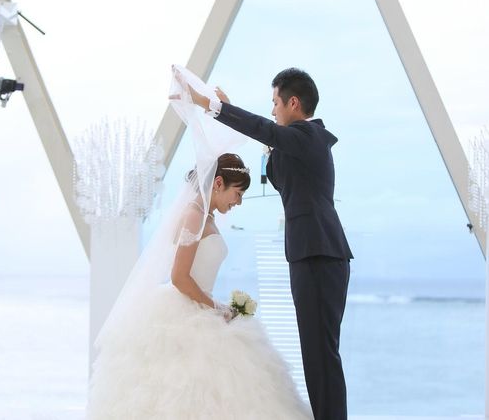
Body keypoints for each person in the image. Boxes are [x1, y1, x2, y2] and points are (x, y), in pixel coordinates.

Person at [86, 68, 312, 420]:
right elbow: (179, 277)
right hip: (185, 312)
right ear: (218, 183)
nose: (238, 202)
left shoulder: (205, 217)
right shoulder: (194, 215)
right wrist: (217, 308)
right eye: (237, 194)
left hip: (199, 305)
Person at [186, 66, 353, 420]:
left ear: (293, 103)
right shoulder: (299, 146)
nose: (273, 110)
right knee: (315, 353)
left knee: (321, 354)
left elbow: (266, 129)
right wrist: (265, 138)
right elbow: (276, 170)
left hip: (319, 252)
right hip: (311, 253)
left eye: (275, 102)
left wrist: (217, 108)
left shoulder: (310, 136)